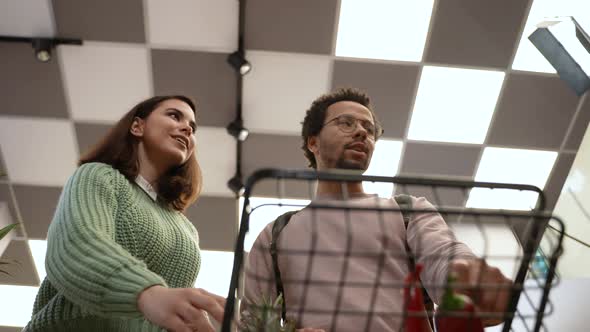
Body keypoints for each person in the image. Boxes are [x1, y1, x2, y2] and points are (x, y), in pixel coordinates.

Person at [242, 88, 512, 331]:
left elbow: (443, 255)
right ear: (313, 142)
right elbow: (252, 324)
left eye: (369, 129)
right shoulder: (275, 234)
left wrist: (466, 279)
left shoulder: (408, 210)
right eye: (346, 123)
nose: (362, 132)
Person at [24, 96, 225, 332]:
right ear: (137, 126)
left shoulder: (186, 229)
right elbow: (76, 245)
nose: (187, 128)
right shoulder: (99, 176)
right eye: (174, 115)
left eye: (193, 127)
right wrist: (147, 293)